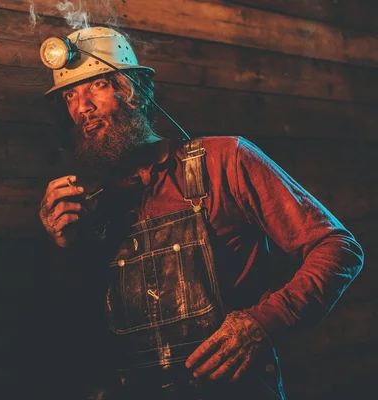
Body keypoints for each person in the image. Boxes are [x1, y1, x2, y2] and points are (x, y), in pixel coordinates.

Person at [37, 26, 364, 400]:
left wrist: (260, 323)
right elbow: (75, 329)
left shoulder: (226, 160)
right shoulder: (93, 206)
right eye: (70, 94)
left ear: (129, 90)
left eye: (96, 85)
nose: (82, 107)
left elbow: (339, 248)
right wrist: (62, 246)